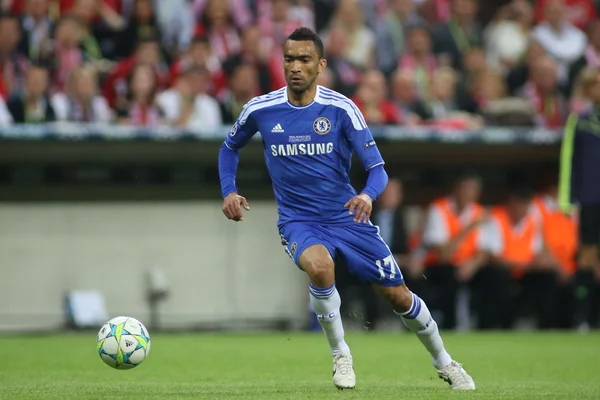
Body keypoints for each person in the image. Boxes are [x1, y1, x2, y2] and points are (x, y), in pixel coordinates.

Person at [218, 27, 475, 391]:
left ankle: (445, 361)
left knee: (398, 296)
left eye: (304, 59)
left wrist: (368, 196)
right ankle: (341, 354)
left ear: (320, 65)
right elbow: (229, 148)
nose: (295, 66)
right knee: (320, 268)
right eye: (289, 58)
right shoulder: (261, 108)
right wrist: (229, 190)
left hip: (348, 218)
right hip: (298, 220)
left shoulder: (341, 108)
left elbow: (378, 170)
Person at [559, 66, 600, 330]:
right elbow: (568, 161)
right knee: (586, 258)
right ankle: (583, 318)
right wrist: (566, 199)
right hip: (590, 197)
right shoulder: (580, 120)